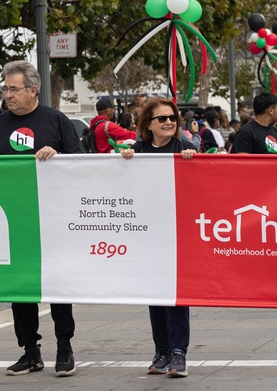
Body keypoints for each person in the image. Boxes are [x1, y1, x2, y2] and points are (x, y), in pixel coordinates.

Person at [0, 61, 81, 377]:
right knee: (20, 291)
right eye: (4, 89)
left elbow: (81, 164)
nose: (7, 95)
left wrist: (58, 158)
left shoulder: (56, 121)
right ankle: (30, 352)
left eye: (13, 89)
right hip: (11, 222)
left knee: (57, 287)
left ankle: (64, 347)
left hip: (52, 220)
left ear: (33, 90)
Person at [119, 98, 196, 378]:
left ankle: (178, 352)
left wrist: (193, 162)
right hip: (148, 234)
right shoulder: (137, 150)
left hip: (178, 233)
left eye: (172, 118)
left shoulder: (186, 148)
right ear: (147, 125)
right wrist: (125, 160)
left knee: (176, 294)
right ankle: (161, 351)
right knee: (155, 294)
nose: (168, 123)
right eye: (161, 118)